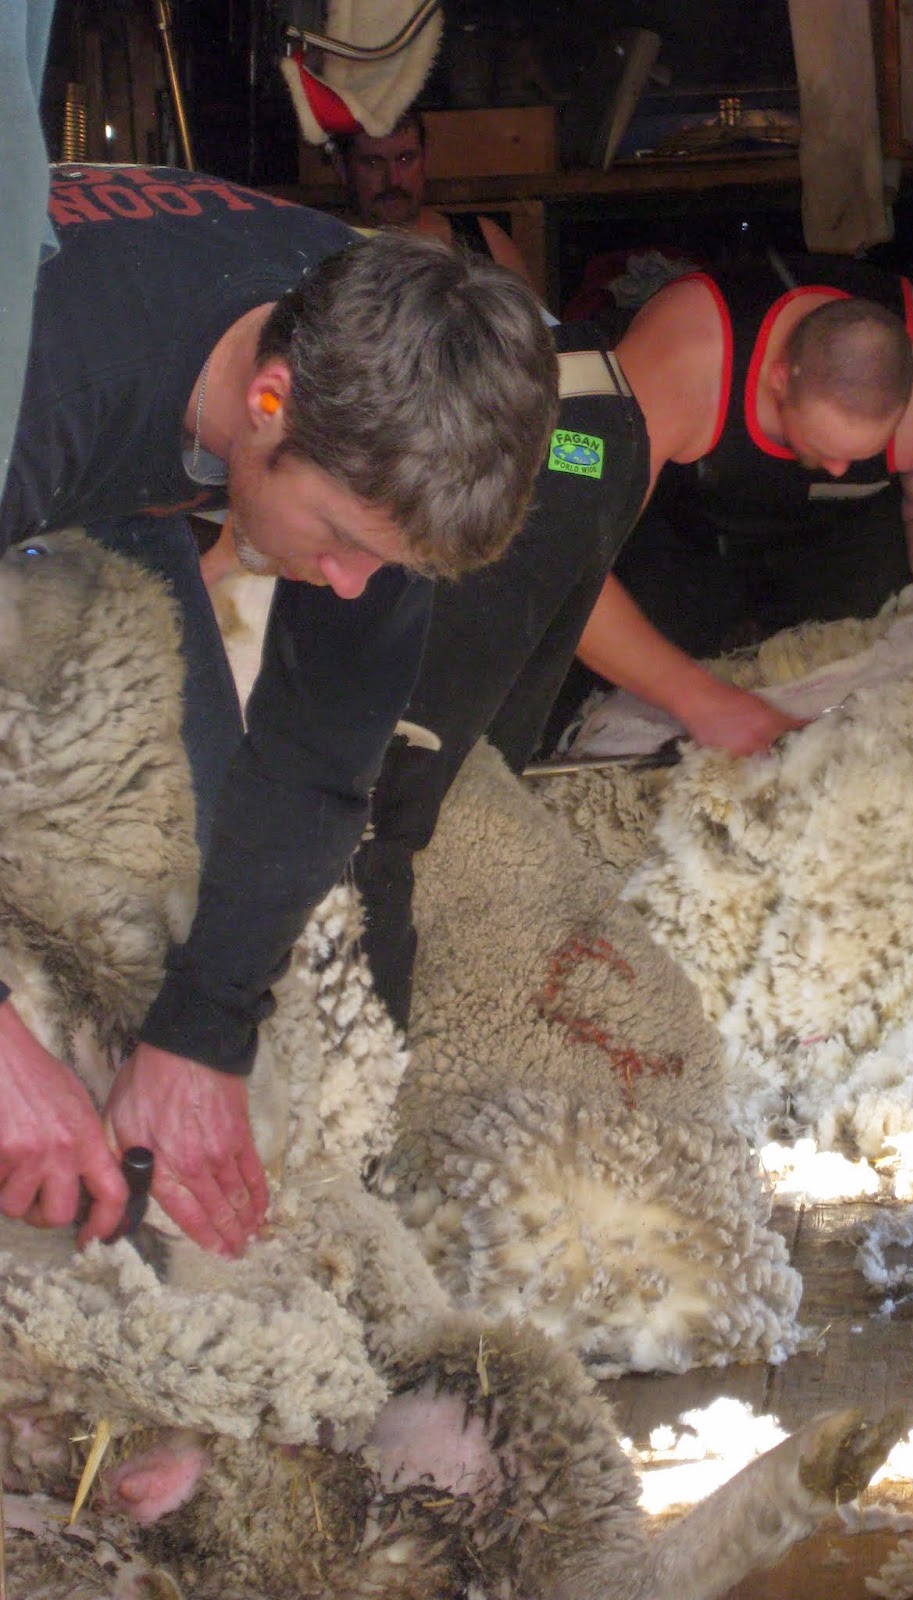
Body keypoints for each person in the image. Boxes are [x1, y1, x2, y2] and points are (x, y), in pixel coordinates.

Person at [0, 162, 560, 1257]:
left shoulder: (379, 416)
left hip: (118, 463)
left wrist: (201, 1036)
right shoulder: (46, 377)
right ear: (270, 398)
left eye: (386, 562)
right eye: (343, 541)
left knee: (184, 888)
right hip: (46, 398)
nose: (352, 583)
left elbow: (316, 754)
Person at [572, 255, 913, 756]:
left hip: (838, 535)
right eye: (828, 448)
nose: (837, 470)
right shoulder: (677, 362)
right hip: (686, 532)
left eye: (861, 453)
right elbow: (565, 563)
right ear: (778, 379)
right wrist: (699, 700)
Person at [332, 110, 533, 287]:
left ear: (424, 159)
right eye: (373, 162)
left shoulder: (484, 240)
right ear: (342, 167)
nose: (393, 179)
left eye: (405, 159)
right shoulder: (324, 250)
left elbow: (534, 327)